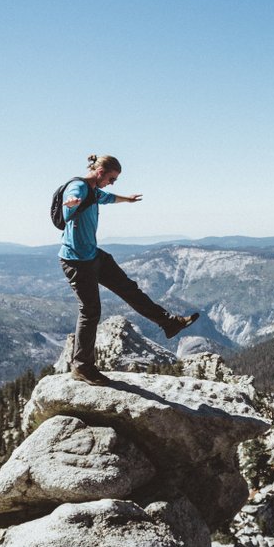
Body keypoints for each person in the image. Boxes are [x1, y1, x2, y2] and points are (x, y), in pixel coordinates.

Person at [58, 154, 198, 385]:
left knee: (129, 289)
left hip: (93, 255)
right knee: (90, 311)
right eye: (111, 178)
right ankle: (82, 366)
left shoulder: (94, 191)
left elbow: (108, 198)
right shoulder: (79, 187)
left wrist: (128, 199)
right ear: (100, 172)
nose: (112, 183)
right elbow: (72, 198)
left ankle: (169, 323)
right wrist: (72, 202)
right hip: (76, 261)